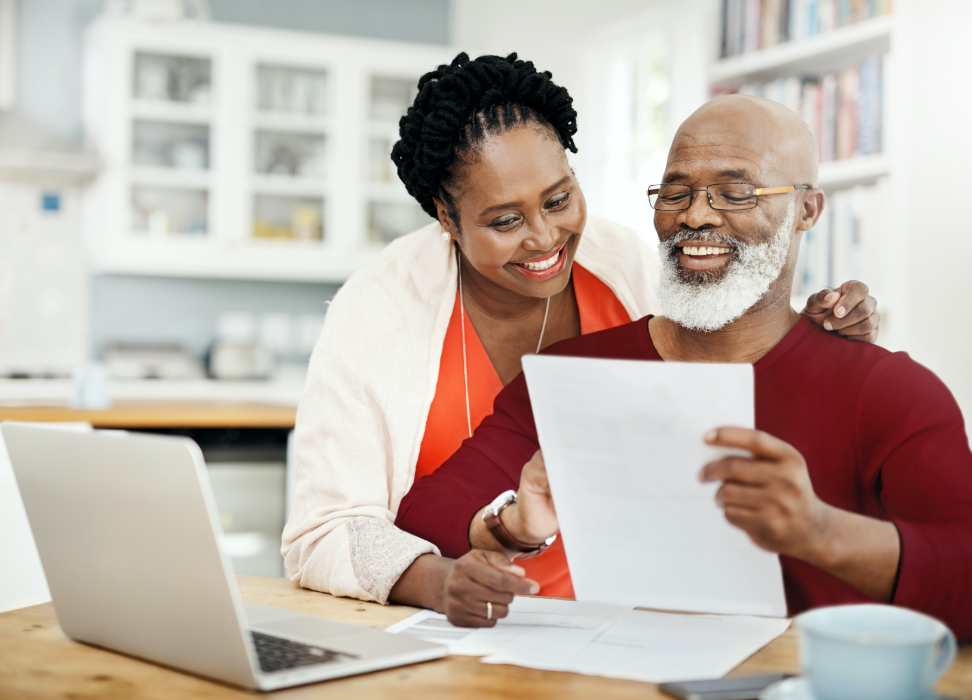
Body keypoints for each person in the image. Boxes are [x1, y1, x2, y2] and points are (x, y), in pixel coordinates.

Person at [282, 54, 880, 626]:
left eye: (559, 199)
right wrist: (437, 581)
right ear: (445, 215)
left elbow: (722, 373)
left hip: (619, 617)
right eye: (504, 221)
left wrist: (818, 337)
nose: (545, 239)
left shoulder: (623, 267)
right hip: (460, 624)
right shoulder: (379, 311)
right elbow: (324, 530)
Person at [395, 94, 972, 638]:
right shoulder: (573, 373)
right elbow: (426, 510)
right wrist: (513, 526)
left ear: (806, 209)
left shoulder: (890, 389)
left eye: (736, 193)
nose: (696, 216)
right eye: (675, 193)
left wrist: (818, 531)